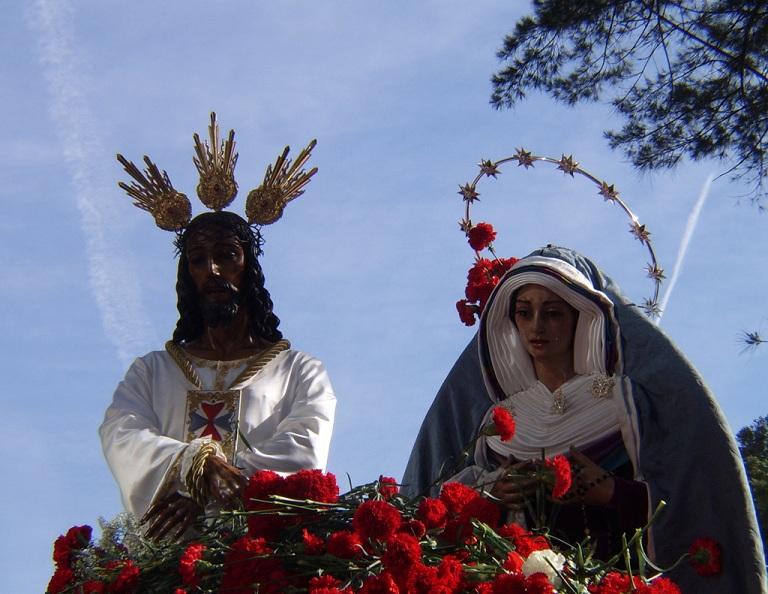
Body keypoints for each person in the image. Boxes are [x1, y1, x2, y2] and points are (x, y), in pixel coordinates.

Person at [401, 245, 766, 593]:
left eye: (553, 313)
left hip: (613, 578)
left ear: (580, 316)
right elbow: (441, 516)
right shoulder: (500, 421)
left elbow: (686, 501)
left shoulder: (618, 401)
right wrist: (490, 493)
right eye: (524, 313)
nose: (537, 326)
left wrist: (611, 492)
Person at [100, 211, 336, 540]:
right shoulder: (152, 372)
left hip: (259, 551)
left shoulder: (298, 371)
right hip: (172, 550)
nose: (212, 269)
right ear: (187, 275)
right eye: (198, 260)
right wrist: (195, 464)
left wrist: (213, 487)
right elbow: (122, 434)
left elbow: (304, 446)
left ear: (249, 266)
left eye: (227, 255)